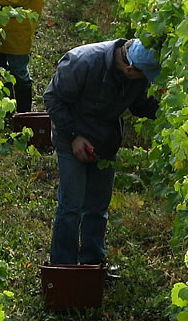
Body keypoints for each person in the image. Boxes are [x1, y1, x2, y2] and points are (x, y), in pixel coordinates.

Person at [44, 38, 161, 267]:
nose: (146, 81)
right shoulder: (82, 62)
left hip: (105, 141)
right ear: (130, 68)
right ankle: (63, 268)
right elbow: (53, 98)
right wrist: (74, 136)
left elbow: (139, 105)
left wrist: (169, 113)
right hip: (71, 138)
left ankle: (92, 264)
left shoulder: (135, 74)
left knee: (97, 208)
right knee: (71, 207)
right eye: (144, 76)